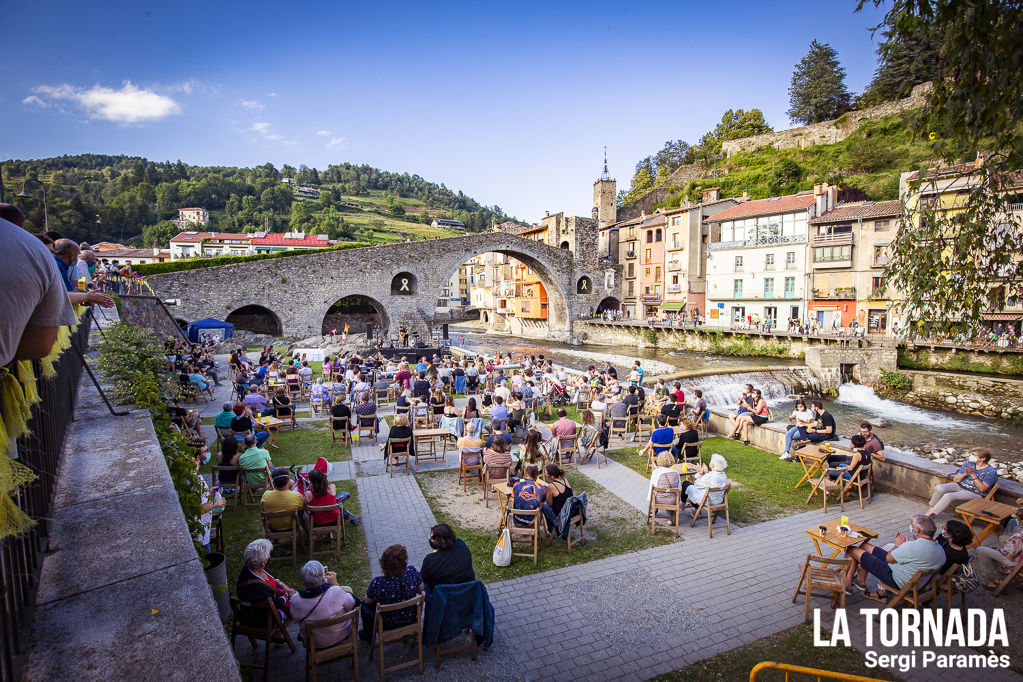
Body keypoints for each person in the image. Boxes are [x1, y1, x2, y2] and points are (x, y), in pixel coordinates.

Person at [845, 515, 946, 602]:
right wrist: (902, 548)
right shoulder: (940, 550)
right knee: (864, 547)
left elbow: (889, 559)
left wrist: (898, 545)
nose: (910, 528)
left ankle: (847, 584)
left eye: (911, 526)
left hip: (894, 577)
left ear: (917, 530)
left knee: (851, 549)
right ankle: (860, 580)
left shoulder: (911, 546)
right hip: (912, 577)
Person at [360, 545, 424, 642]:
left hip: (386, 623)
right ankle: (406, 632)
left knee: (364, 605)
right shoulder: (411, 572)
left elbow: (368, 601)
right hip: (409, 618)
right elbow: (421, 589)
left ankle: (368, 635)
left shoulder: (378, 582)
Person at [289, 560, 358, 648]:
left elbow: (295, 617)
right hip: (342, 634)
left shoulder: (295, 600)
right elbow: (352, 604)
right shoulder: (335, 591)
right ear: (323, 579)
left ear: (303, 582)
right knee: (348, 590)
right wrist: (335, 584)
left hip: (315, 643)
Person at [237, 538, 296, 630]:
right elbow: (276, 603)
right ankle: (280, 631)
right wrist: (286, 596)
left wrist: (283, 586)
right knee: (297, 606)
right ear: (263, 562)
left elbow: (271, 577)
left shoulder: (252, 566)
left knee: (296, 597)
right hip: (263, 617)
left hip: (262, 606)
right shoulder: (258, 587)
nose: (269, 556)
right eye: (269, 554)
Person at [926, 447, 998, 517]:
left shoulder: (991, 472)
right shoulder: (969, 463)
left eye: (974, 455)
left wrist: (973, 475)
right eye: (971, 454)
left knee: (949, 496)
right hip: (960, 485)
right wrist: (965, 474)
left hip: (974, 492)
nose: (971, 456)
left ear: (983, 458)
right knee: (939, 488)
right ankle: (930, 510)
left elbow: (982, 489)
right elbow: (956, 480)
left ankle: (929, 515)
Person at [420, 523, 475, 589]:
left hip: (443, 596)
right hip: (468, 591)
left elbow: (422, 579)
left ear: (438, 541)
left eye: (432, 538)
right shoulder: (461, 545)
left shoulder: (430, 560)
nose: (430, 540)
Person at [541, 464, 572, 532]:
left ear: (552, 476)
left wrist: (547, 492)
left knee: (543, 505)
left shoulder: (551, 486)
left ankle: (552, 529)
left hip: (561, 514)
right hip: (570, 510)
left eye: (546, 473)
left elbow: (549, 503)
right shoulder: (564, 479)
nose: (545, 475)